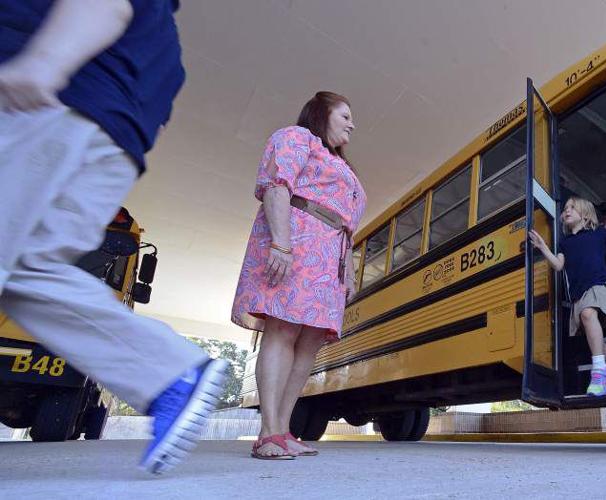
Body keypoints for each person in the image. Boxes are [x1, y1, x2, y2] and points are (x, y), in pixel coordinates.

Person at [0, 0, 227, 475]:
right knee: (27, 270)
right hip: (111, 146)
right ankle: (169, 373)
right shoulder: (168, 51)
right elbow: (156, 122)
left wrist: (43, 62)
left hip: (46, 105)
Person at [232, 91, 366, 460]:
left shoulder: (341, 164)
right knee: (284, 330)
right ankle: (268, 433)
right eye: (345, 116)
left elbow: (347, 226)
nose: (352, 125)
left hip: (330, 259)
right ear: (322, 113)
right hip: (299, 243)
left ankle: (283, 429)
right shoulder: (297, 137)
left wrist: (348, 271)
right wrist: (281, 244)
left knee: (309, 344)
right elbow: (278, 186)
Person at [528, 197, 606, 396]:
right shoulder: (565, 243)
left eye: (572, 208)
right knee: (597, 342)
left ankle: (600, 374)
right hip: (579, 294)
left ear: (585, 215)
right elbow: (558, 265)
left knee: (587, 314)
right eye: (565, 208)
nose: (567, 210)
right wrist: (543, 247)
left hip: (598, 285)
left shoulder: (599, 233)